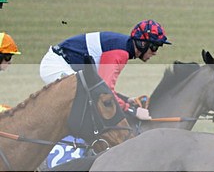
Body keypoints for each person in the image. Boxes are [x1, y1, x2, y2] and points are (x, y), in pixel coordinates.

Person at [39, 19, 170, 120]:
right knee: (88, 99)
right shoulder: (120, 53)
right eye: (154, 47)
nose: (155, 52)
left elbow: (102, 87)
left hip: (64, 63)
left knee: (91, 97)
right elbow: (104, 93)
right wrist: (133, 111)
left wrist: (125, 99)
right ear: (142, 44)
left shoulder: (123, 47)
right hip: (55, 65)